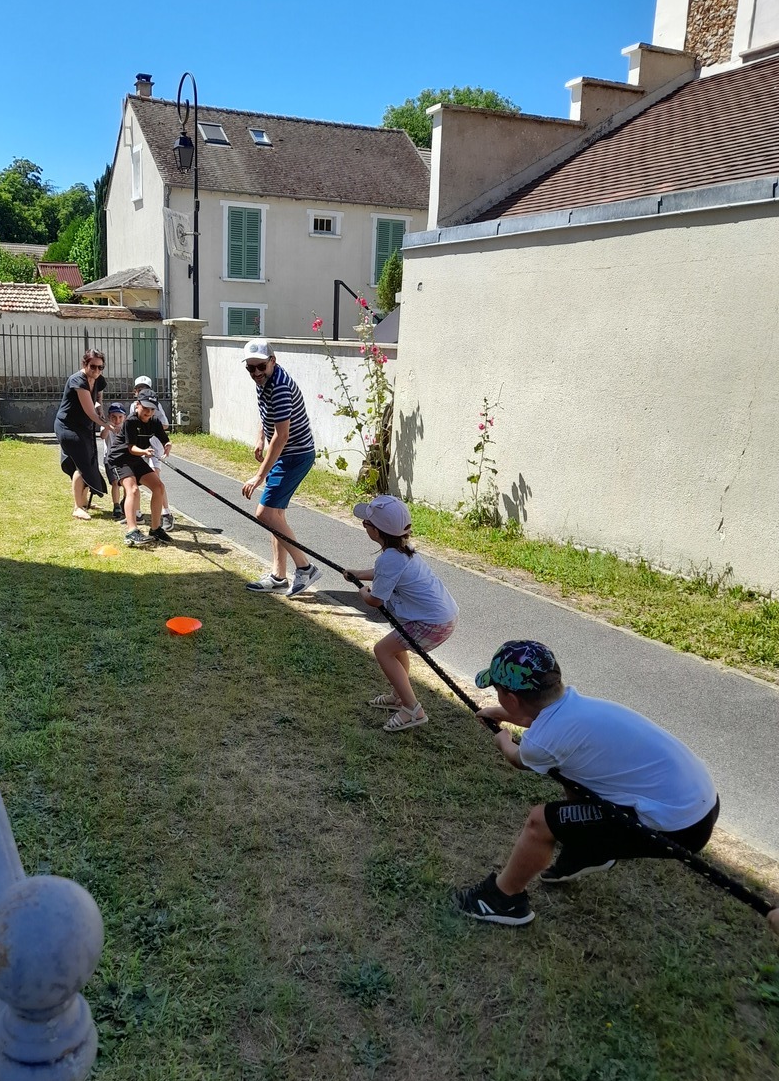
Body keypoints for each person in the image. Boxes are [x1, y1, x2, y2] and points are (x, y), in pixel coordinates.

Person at [451, 640, 720, 927]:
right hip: (701, 801)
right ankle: (590, 851)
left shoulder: (543, 742)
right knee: (573, 772)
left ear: (512, 698)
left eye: (498, 691)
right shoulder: (577, 706)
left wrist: (503, 739)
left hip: (677, 826)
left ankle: (503, 900)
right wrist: (501, 713)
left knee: (540, 822)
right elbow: (545, 724)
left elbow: (519, 757)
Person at [343, 495, 458, 732]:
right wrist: (358, 574)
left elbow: (375, 600)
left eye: (366, 523)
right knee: (395, 648)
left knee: (382, 650)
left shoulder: (388, 559)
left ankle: (412, 709)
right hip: (442, 617)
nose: (364, 526)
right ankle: (398, 697)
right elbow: (386, 573)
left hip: (431, 623)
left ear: (376, 531)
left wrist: (363, 591)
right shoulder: (403, 550)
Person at [240, 338, 321, 597]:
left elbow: (282, 435)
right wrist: (260, 438)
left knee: (265, 513)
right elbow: (268, 415)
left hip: (295, 455)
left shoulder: (280, 387)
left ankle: (305, 568)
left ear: (272, 361)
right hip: (287, 454)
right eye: (250, 368)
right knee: (275, 515)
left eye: (260, 366)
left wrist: (259, 476)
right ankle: (278, 576)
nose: (256, 372)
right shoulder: (264, 381)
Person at [54, 350, 107, 519]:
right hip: (68, 427)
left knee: (88, 462)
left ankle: (83, 502)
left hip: (84, 427)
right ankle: (77, 507)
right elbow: (90, 412)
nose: (97, 371)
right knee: (81, 464)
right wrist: (107, 425)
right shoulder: (77, 380)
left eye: (100, 367)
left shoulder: (98, 379)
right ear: (84, 364)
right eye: (93, 366)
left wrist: (100, 407)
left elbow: (97, 397)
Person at [115, 393, 173, 547]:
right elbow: (131, 448)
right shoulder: (130, 422)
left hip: (137, 458)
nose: (149, 412)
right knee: (133, 490)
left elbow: (164, 439)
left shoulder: (154, 422)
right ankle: (131, 532)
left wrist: (167, 445)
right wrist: (145, 452)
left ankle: (155, 529)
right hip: (121, 458)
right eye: (146, 408)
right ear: (138, 405)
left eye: (152, 409)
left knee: (159, 487)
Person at [129, 378, 174, 531]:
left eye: (144, 388)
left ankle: (166, 513)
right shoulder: (134, 406)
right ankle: (137, 513)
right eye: (138, 389)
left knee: (155, 477)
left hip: (155, 443)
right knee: (133, 478)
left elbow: (165, 424)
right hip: (138, 444)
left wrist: (156, 431)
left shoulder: (156, 405)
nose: (141, 391)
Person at [101, 403, 128, 522]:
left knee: (127, 482)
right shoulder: (106, 426)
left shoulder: (126, 427)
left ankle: (125, 501)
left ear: (124, 417)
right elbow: (103, 436)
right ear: (109, 417)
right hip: (110, 459)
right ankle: (116, 505)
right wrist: (108, 427)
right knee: (115, 482)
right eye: (114, 417)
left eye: (120, 417)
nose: (117, 420)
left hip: (124, 459)